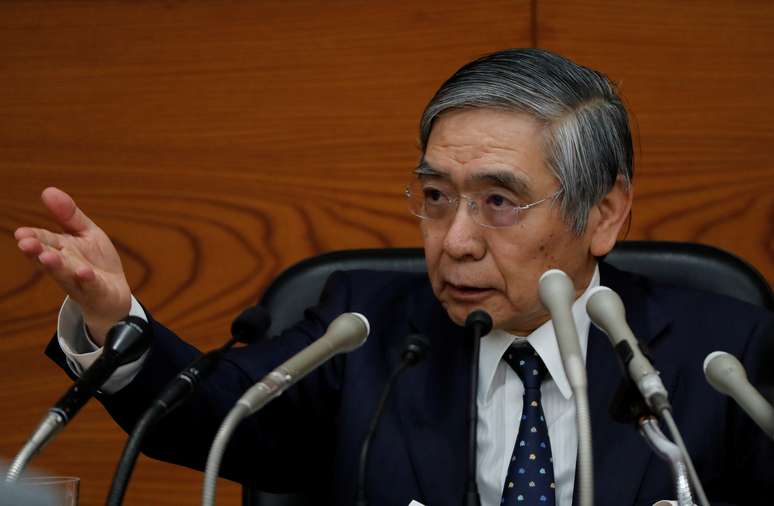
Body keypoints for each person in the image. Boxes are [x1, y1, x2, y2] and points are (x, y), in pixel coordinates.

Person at [15, 48, 774, 506]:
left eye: (499, 202)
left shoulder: (723, 354)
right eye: (436, 197)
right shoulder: (365, 332)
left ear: (603, 213)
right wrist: (114, 319)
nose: (456, 242)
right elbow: (215, 417)